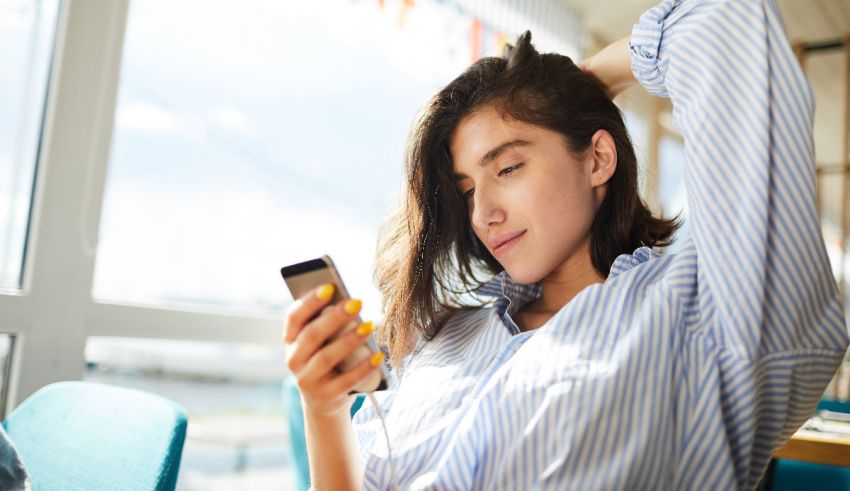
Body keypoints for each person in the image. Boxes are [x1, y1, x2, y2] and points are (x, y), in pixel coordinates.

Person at [283, 0, 849, 488]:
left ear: (599, 158)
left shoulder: (701, 315)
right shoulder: (447, 338)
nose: (483, 213)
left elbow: (726, 23)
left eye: (507, 167)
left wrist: (591, 81)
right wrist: (325, 408)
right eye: (466, 190)